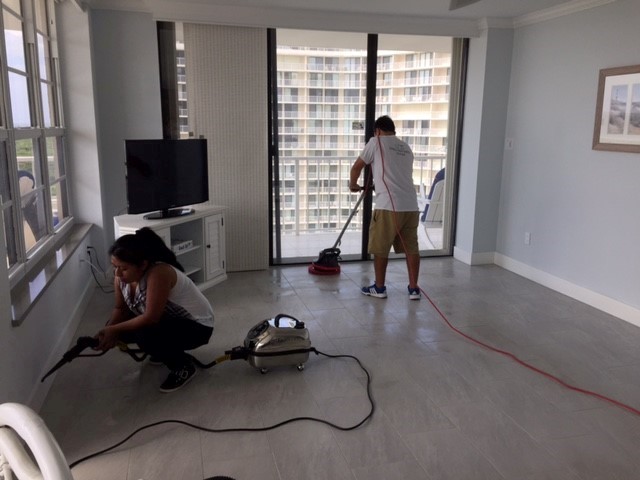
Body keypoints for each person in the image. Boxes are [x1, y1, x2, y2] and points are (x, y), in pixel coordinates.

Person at [95, 227, 214, 392]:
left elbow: (151, 317)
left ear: (143, 264)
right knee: (121, 330)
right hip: (171, 319)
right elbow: (120, 308)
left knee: (145, 335)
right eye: (114, 266)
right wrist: (108, 330)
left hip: (198, 327)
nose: (117, 273)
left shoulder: (159, 273)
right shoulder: (121, 278)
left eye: (123, 268)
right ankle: (164, 350)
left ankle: (183, 366)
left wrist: (113, 329)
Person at [349, 115, 421, 300]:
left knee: (380, 248)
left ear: (378, 131)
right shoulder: (405, 147)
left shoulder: (375, 142)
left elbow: (356, 167)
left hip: (388, 206)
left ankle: (379, 288)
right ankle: (414, 289)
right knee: (411, 248)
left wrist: (353, 184)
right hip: (411, 205)